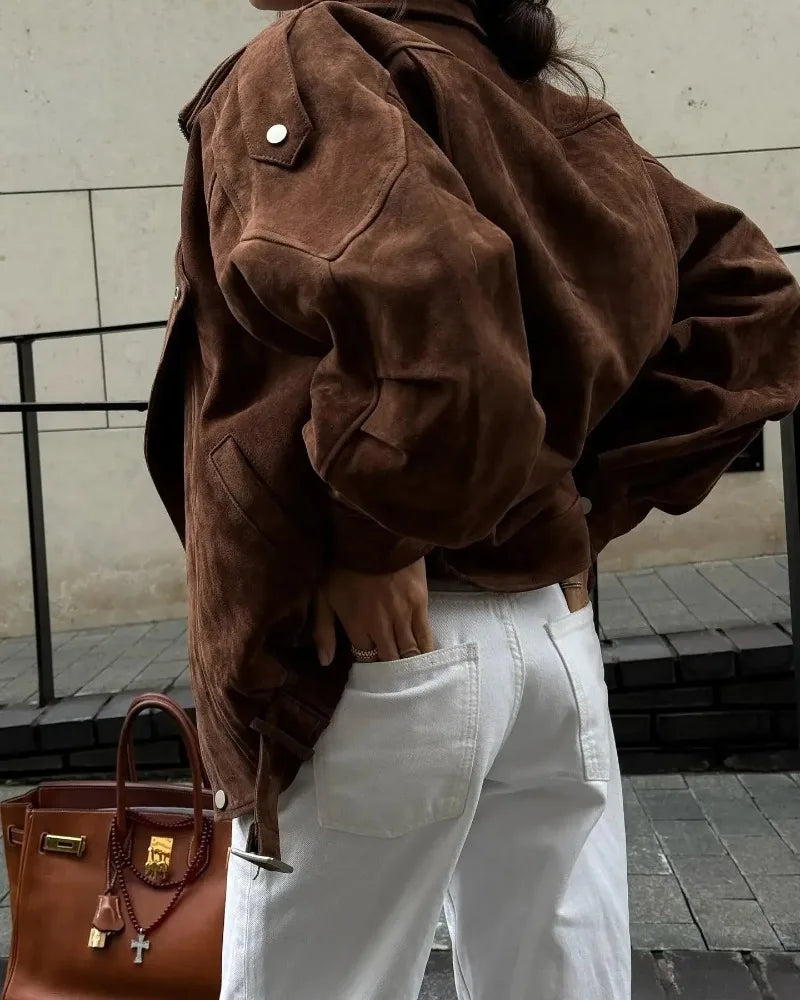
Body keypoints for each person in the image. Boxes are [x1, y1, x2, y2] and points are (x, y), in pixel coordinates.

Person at [144, 1, 800, 997]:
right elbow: (749, 297)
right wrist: (567, 510)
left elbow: (435, 287)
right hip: (548, 643)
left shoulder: (313, 56)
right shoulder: (523, 95)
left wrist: (380, 532)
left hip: (382, 652)